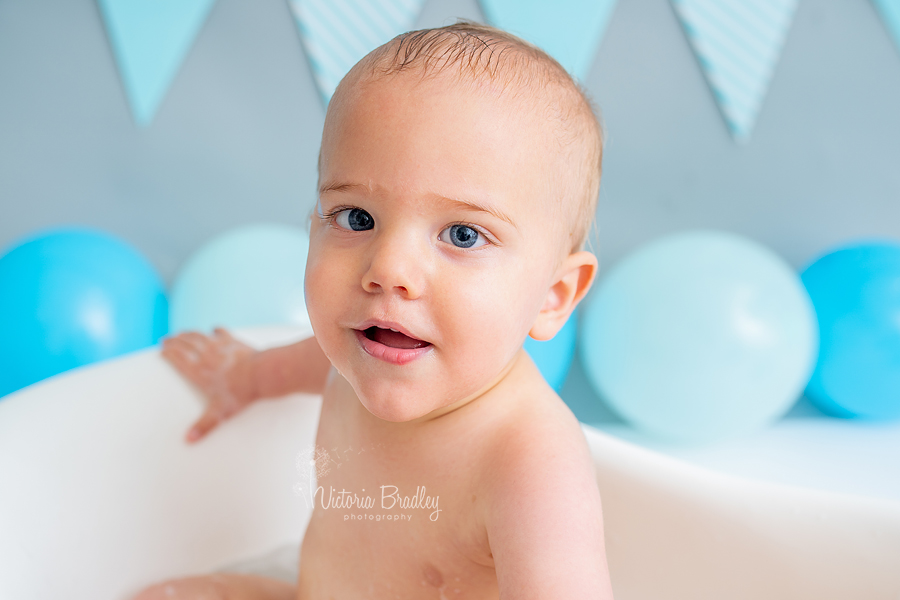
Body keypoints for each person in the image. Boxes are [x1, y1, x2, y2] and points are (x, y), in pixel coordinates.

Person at [135, 21, 614, 600]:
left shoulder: (528, 462)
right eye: (357, 218)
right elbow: (283, 369)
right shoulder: (351, 360)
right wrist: (239, 376)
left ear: (554, 296)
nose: (388, 269)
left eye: (462, 235)